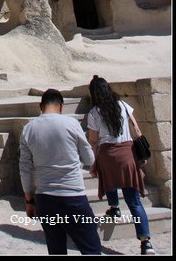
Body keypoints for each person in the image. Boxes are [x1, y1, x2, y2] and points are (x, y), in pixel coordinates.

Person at [19, 88, 102, 256]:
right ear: (61, 107)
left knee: (56, 250)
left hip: (44, 199)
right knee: (91, 248)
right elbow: (89, 159)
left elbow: (24, 168)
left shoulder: (28, 129)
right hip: (72, 197)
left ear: (40, 106)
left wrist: (29, 200)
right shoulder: (71, 124)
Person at [87, 75, 155, 255]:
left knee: (108, 177)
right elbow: (136, 129)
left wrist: (94, 162)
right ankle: (145, 242)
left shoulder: (94, 113)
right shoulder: (123, 106)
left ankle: (114, 207)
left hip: (107, 154)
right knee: (134, 201)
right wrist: (141, 153)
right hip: (127, 153)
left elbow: (93, 141)